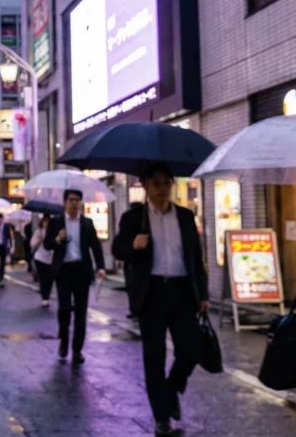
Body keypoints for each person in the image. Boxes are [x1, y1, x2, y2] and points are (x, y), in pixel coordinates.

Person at [113, 163, 209, 436]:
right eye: (156, 182)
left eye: (167, 182)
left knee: (191, 349)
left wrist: (202, 294)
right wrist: (134, 244)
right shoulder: (134, 219)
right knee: (153, 357)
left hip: (181, 292)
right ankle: (161, 417)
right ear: (144, 184)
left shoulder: (186, 217)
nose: (163, 188)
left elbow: (195, 258)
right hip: (151, 293)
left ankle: (171, 389)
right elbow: (118, 249)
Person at [43, 190, 105, 364]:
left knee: (81, 312)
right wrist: (57, 238)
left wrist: (100, 267)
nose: (74, 203)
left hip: (82, 271)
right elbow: (47, 245)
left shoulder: (87, 223)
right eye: (71, 200)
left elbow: (95, 246)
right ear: (65, 202)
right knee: (64, 309)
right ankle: (64, 340)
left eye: (77, 200)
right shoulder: (56, 222)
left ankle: (77, 349)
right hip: (63, 271)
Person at [125, 201, 145, 320]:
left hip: (135, 263)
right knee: (131, 286)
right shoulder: (129, 223)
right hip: (131, 261)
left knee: (133, 286)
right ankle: (135, 309)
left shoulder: (145, 224)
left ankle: (136, 309)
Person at [30, 214, 53, 306]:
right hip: (40, 258)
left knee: (50, 279)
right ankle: (45, 297)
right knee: (43, 278)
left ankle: (47, 294)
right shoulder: (39, 232)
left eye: (48, 222)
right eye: (45, 221)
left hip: (51, 259)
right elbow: (32, 244)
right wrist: (39, 240)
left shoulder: (53, 232)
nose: (46, 223)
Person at [0, 213, 15, 287]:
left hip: (3, 246)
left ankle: (1, 279)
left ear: (2, 219)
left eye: (1, 219)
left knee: (2, 263)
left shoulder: (6, 226)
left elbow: (8, 237)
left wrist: (9, 246)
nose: (0, 220)